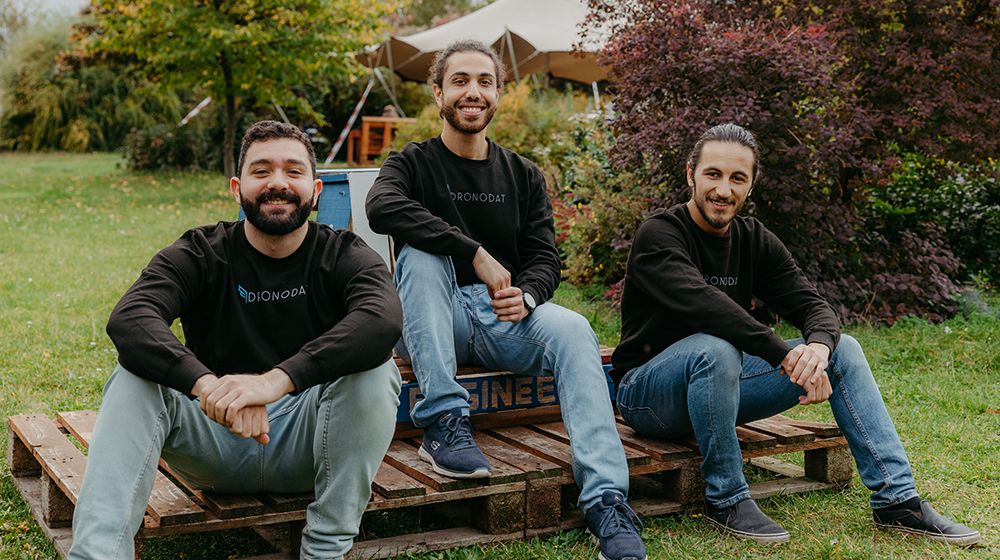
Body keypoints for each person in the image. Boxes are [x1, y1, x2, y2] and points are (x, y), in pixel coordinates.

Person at [610, 123, 981, 546]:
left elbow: (813, 306)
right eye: (713, 174)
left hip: (721, 390)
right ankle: (727, 498)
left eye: (737, 178)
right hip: (646, 397)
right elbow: (705, 305)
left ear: (751, 185)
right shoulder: (659, 234)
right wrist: (782, 354)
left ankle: (898, 501)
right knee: (715, 347)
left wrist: (818, 349)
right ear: (690, 173)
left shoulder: (754, 239)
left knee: (845, 350)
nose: (723, 190)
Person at [68, 121, 404, 560]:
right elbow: (131, 318)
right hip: (210, 439)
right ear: (236, 186)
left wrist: (276, 381)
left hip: (309, 446)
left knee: (376, 371)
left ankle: (325, 550)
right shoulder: (200, 252)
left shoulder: (343, 253)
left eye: (293, 172)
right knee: (133, 377)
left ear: (316, 188)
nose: (278, 183)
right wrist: (208, 386)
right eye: (261, 171)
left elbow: (382, 320)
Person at [365, 40, 647, 560]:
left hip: (501, 319)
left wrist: (530, 294)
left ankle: (605, 498)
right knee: (423, 257)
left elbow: (544, 257)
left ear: (497, 94)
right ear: (438, 93)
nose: (473, 91)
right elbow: (381, 208)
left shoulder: (523, 175)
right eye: (460, 81)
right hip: (435, 315)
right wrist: (471, 251)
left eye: (485, 82)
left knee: (574, 329)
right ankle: (445, 422)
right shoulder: (412, 162)